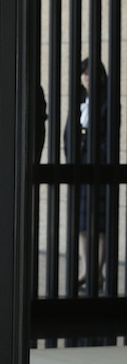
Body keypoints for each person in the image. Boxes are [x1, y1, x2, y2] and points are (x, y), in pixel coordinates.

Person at [63, 58, 108, 292]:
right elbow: (68, 133)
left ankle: (96, 272)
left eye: (91, 74)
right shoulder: (79, 101)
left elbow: (107, 139)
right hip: (79, 170)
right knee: (82, 223)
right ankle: (86, 268)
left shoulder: (107, 104)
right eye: (84, 73)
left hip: (98, 170)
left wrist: (94, 156)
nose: (87, 77)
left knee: (98, 224)